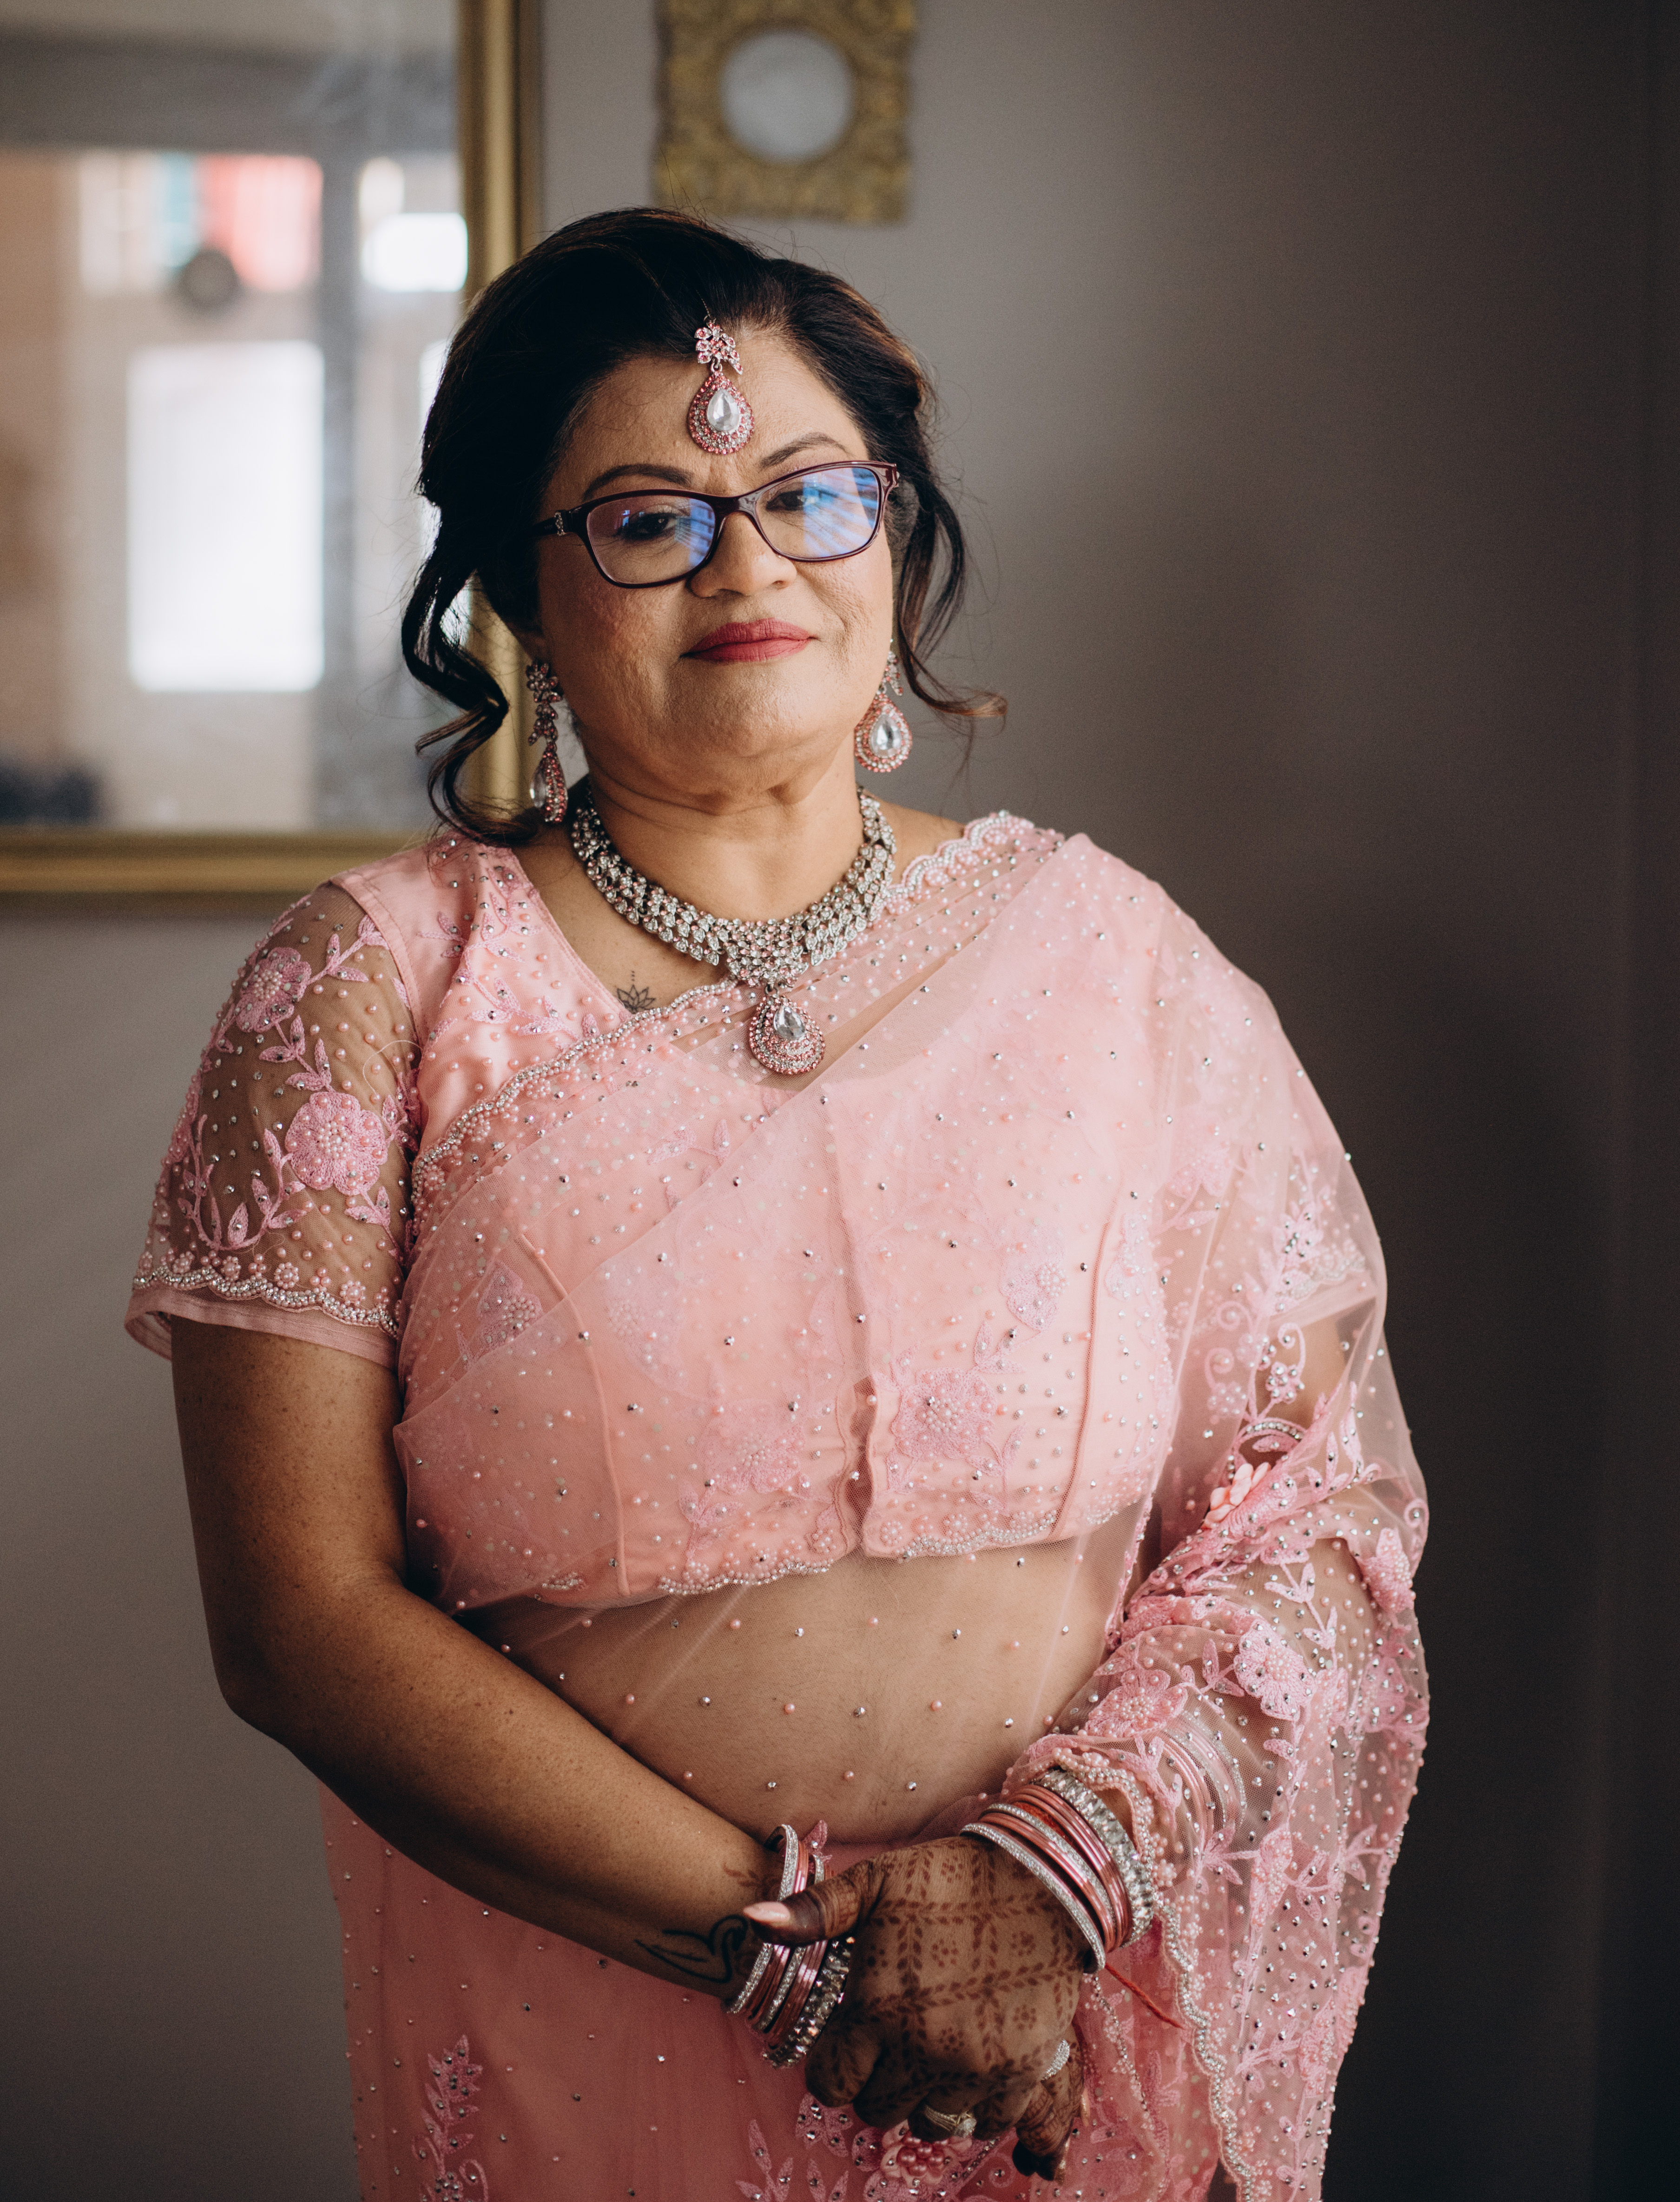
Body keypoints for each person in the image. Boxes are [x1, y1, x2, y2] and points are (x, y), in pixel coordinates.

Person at [129, 210, 1427, 2202]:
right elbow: (302, 1620)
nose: (750, 566)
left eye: (813, 494)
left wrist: (1049, 1878)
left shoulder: (1115, 967)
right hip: (601, 2037)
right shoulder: (371, 994)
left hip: (1053, 2032)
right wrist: (807, 1958)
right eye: (650, 518)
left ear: (892, 533)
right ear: (518, 586)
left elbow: (1314, 1510)